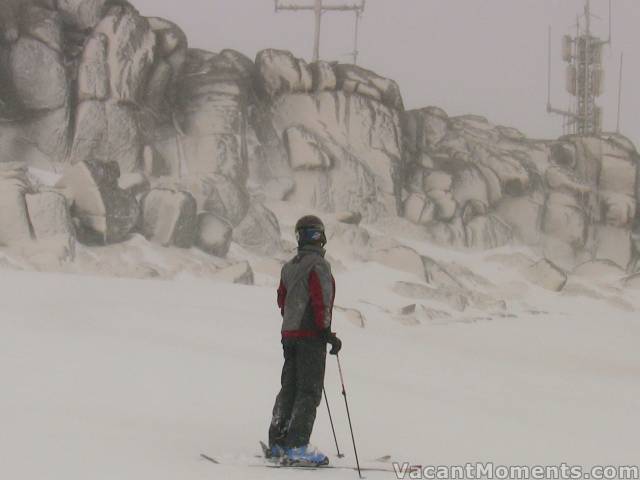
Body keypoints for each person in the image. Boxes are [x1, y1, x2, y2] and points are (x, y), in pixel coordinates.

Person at [267, 215, 342, 466]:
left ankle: (278, 441)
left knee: (290, 386)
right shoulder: (318, 265)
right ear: (319, 236)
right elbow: (321, 298)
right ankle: (297, 445)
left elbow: (282, 299)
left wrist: (293, 321)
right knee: (309, 390)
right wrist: (325, 330)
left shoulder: (289, 266)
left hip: (289, 335)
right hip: (310, 335)